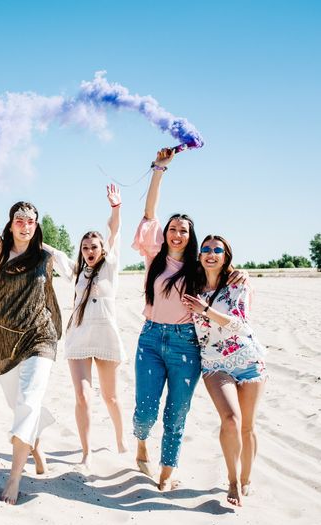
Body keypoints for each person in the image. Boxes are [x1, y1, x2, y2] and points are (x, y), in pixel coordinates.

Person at [131, 148, 246, 490]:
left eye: (183, 230)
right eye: (172, 228)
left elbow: (222, 267)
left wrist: (241, 274)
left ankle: (167, 472)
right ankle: (140, 444)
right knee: (145, 413)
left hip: (186, 345)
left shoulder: (198, 268)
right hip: (150, 339)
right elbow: (150, 212)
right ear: (165, 233)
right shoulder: (154, 256)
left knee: (176, 414)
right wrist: (159, 169)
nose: (176, 234)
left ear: (190, 236)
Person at [0, 153, 73, 504]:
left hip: (40, 336)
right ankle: (35, 449)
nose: (25, 224)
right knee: (21, 404)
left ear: (36, 225)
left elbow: (84, 269)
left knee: (28, 400)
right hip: (3, 340)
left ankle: (14, 478)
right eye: (19, 219)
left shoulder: (45, 256)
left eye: (30, 220)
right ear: (11, 225)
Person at [182, 235, 266, 506]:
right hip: (214, 364)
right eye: (206, 249)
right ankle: (232, 482)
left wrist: (206, 310)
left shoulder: (238, 284)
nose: (210, 253)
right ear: (199, 256)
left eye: (217, 250)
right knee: (231, 419)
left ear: (226, 256)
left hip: (249, 360)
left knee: (248, 426)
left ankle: (246, 479)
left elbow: (240, 324)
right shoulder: (192, 286)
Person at [64, 184, 128, 468]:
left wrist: (115, 208)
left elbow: (114, 231)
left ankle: (120, 439)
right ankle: (86, 452)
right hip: (79, 336)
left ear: (102, 250)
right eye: (85, 247)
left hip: (105, 335)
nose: (89, 251)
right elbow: (54, 255)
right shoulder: (77, 272)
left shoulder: (110, 266)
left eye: (94, 247)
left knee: (111, 396)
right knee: (82, 396)